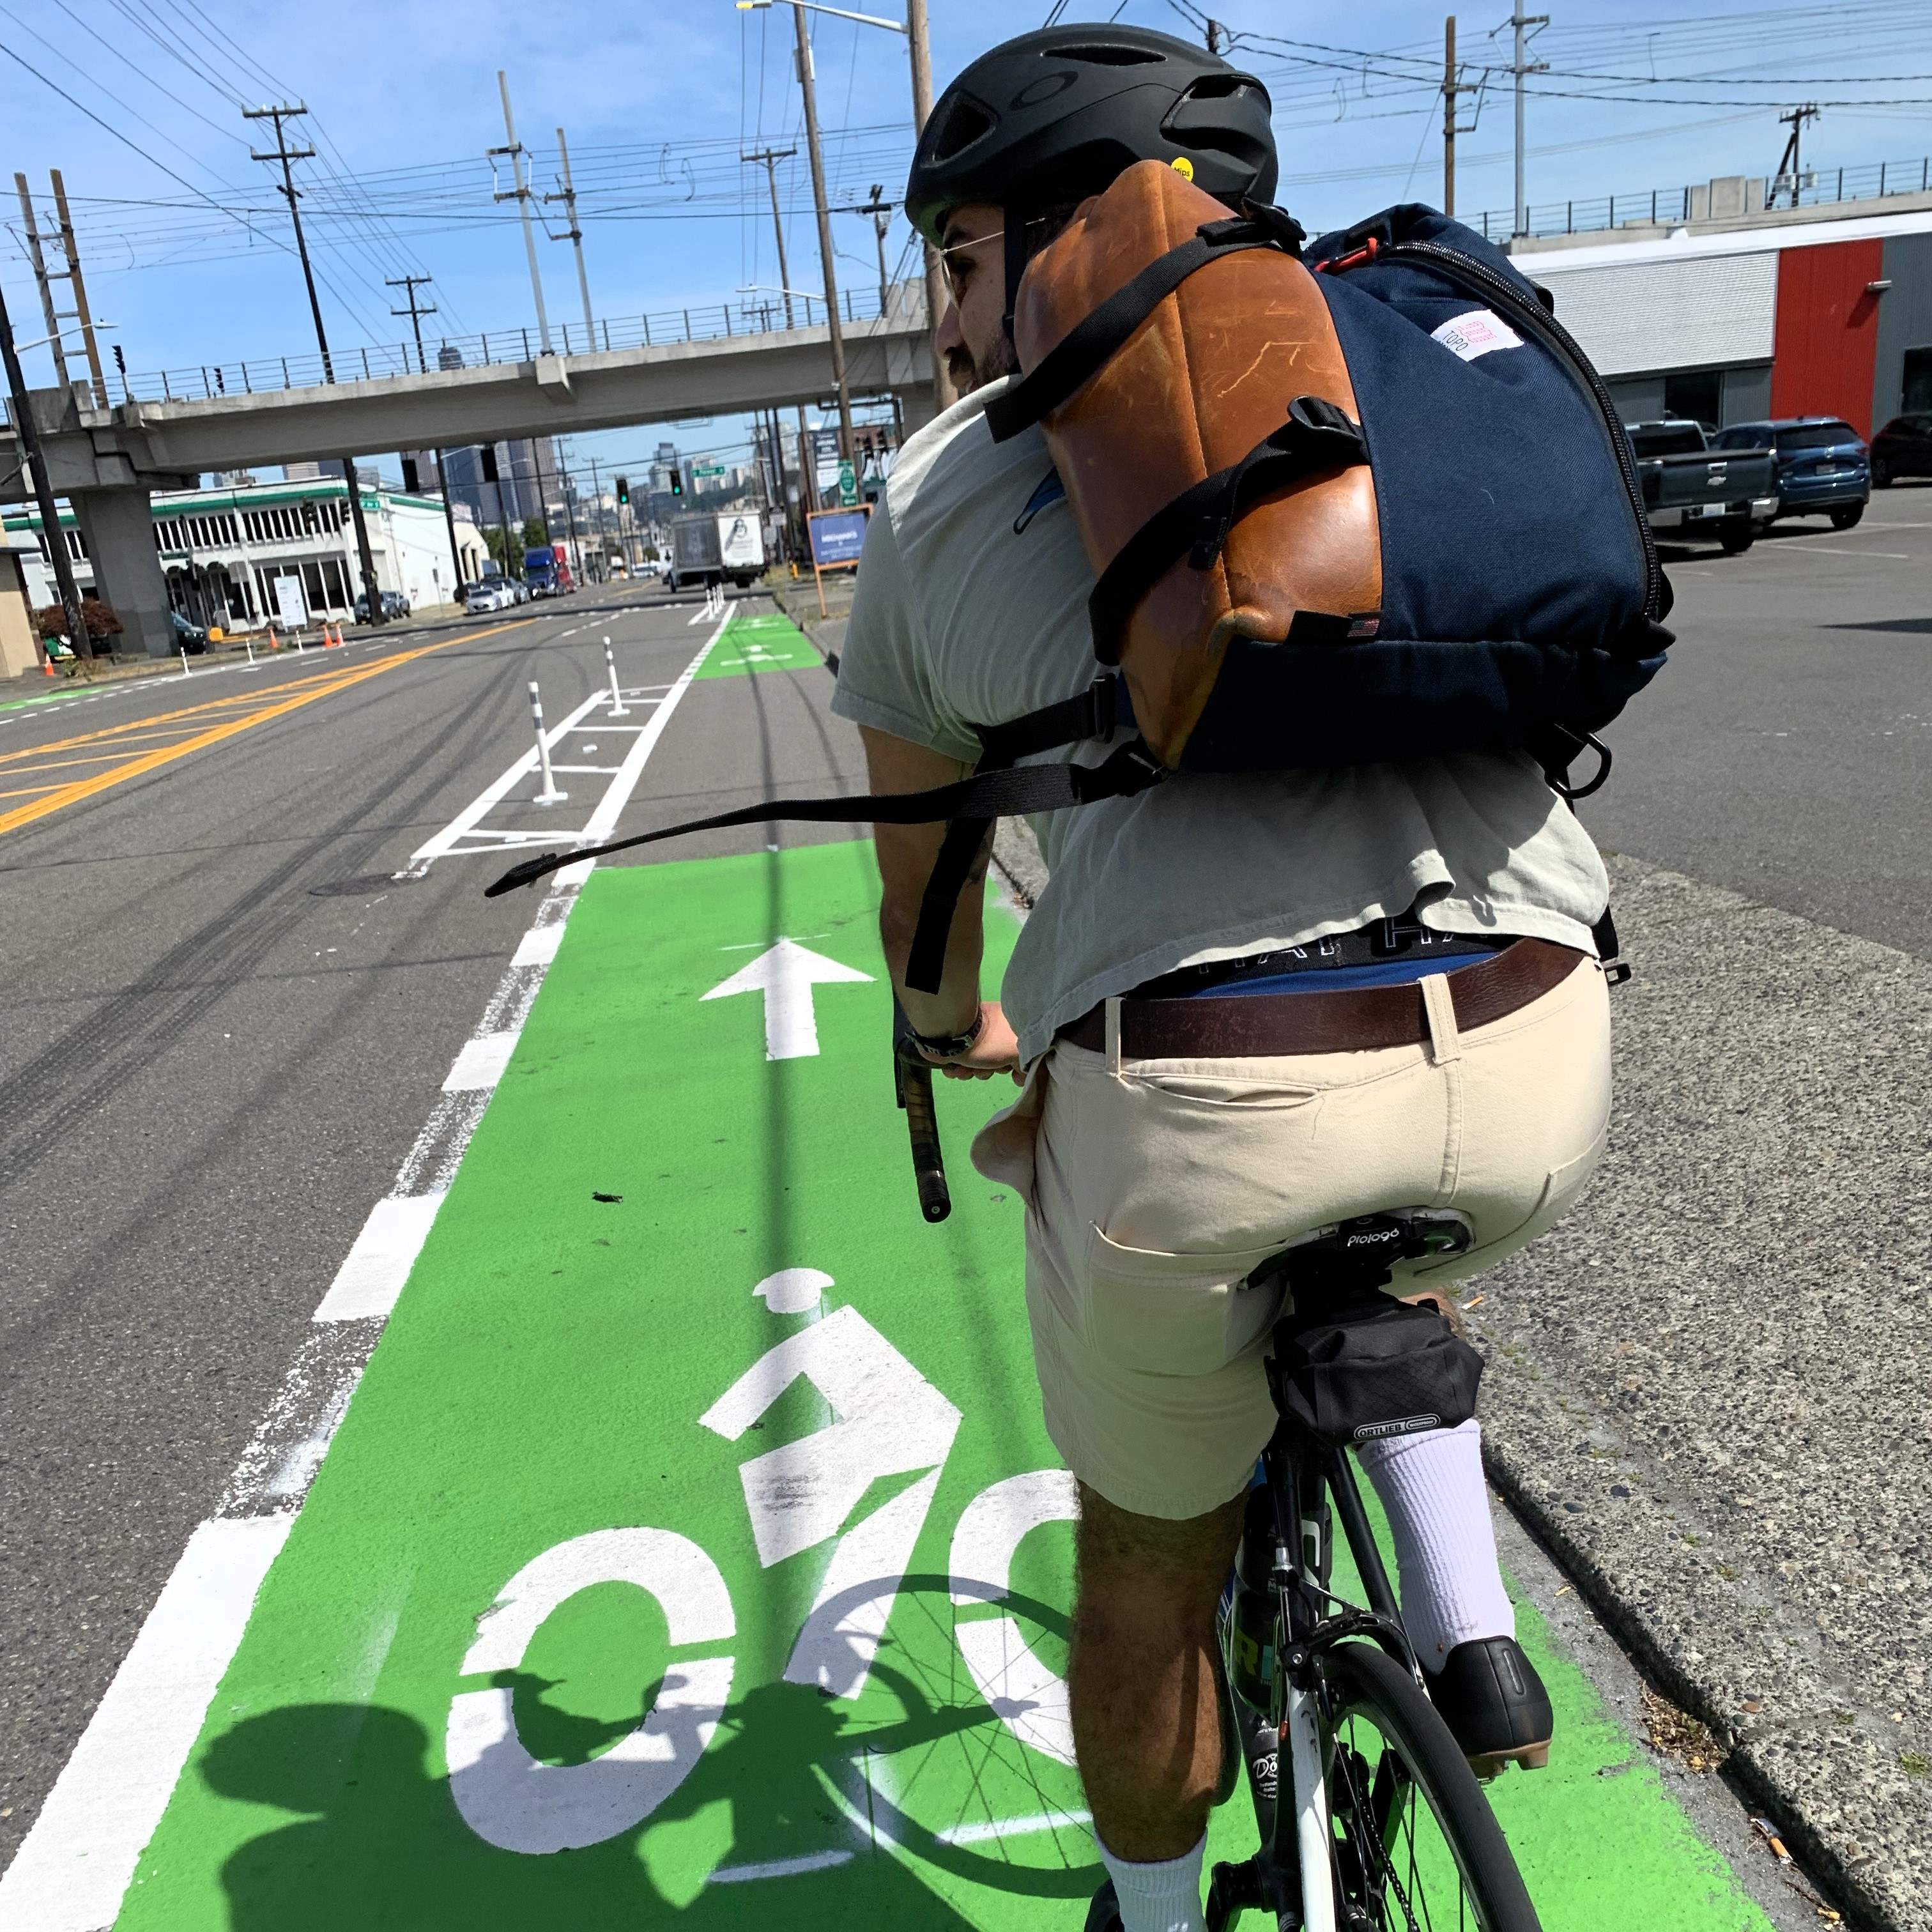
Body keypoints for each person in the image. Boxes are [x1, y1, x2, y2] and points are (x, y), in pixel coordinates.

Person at [831, 27, 1614, 1932]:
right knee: (1389, 1195)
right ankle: (1470, 1620)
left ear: (1042, 242)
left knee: (1147, 1568)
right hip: (1542, 1034)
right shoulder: (1397, 369)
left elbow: (922, 884)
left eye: (956, 263)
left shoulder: (947, 491)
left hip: (1210, 1103)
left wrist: (951, 1033)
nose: (949, 322)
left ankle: (1156, 1922)